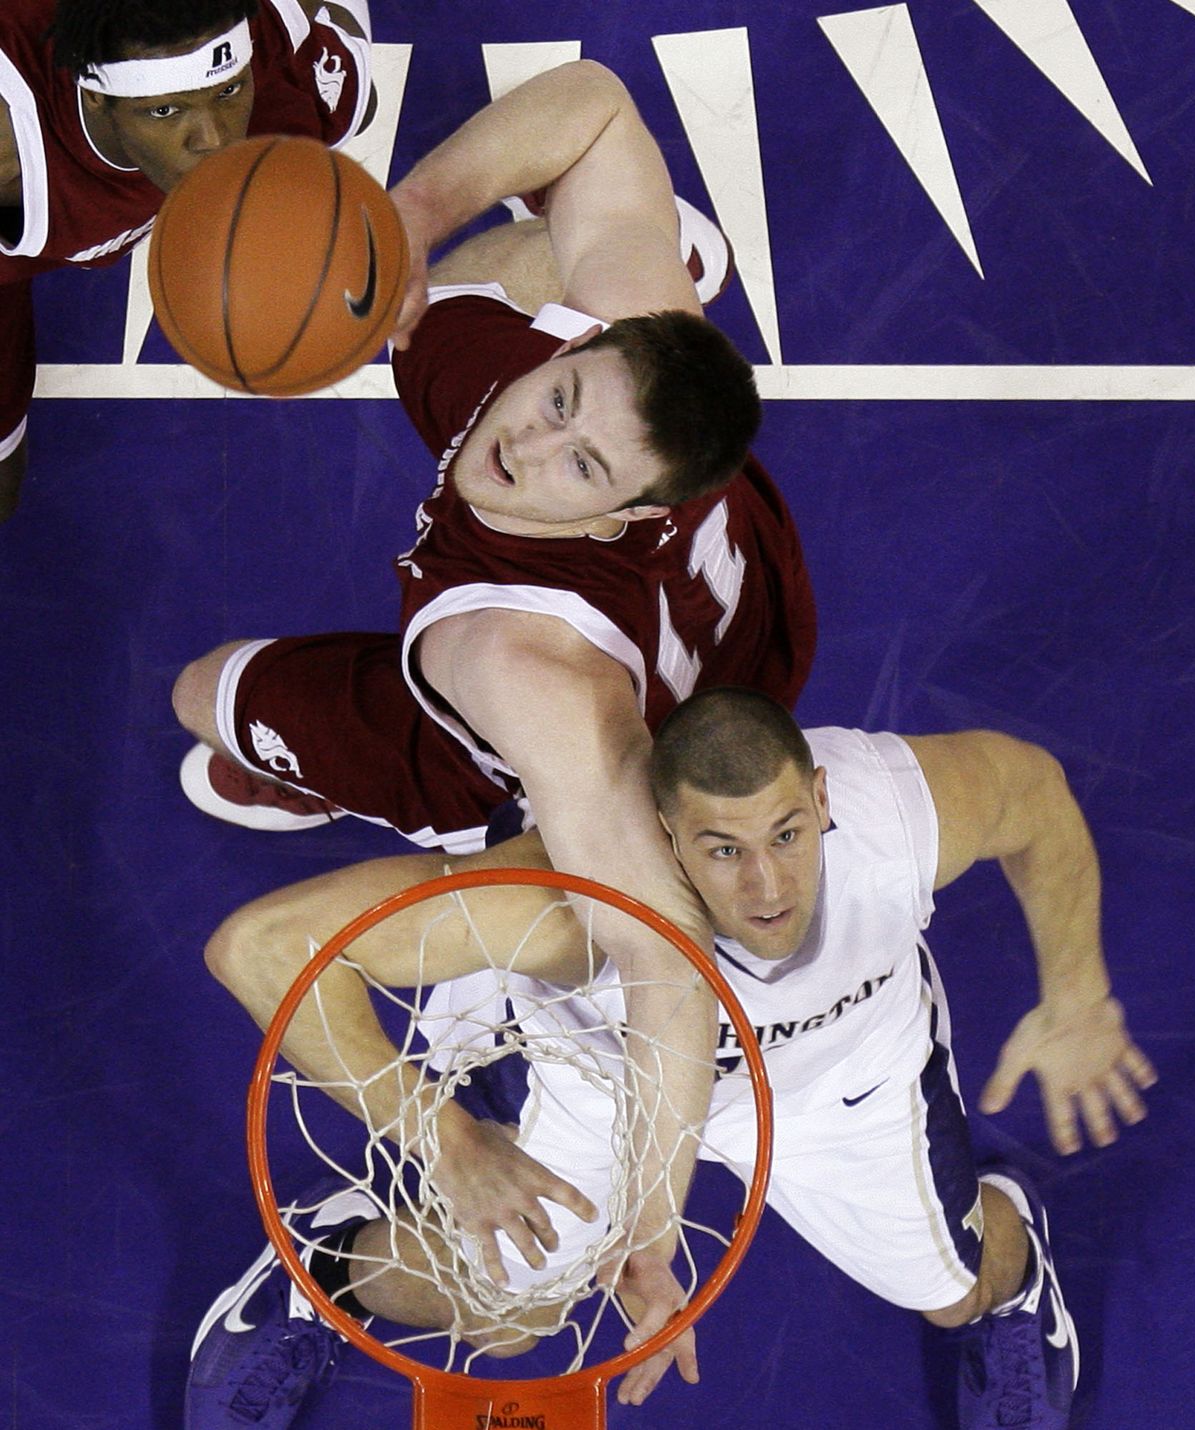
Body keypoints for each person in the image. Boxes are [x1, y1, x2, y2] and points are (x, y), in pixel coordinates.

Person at [171, 61, 818, 1300]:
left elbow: (665, 966)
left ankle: (350, 785)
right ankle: (516, 265)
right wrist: (400, 226)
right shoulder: (630, 336)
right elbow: (593, 102)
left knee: (203, 699)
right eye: (559, 396)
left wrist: (648, 1221)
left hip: (523, 744)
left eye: (579, 467)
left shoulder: (529, 679)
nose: (525, 444)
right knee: (495, 281)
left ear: (624, 510)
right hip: (739, 615)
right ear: (592, 342)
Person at [185, 688, 1156, 1428]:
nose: (768, 885)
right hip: (602, 1092)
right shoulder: (563, 906)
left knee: (955, 1290)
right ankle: (321, 1261)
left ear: (820, 796)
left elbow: (1033, 793)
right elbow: (260, 946)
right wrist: (443, 1138)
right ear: (661, 834)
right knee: (507, 1311)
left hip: (843, 1079)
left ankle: (1010, 1267)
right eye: (722, 848)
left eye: (786, 831)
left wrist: (1078, 993)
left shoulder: (893, 813)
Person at [0, 0, 374, 519]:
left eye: (228, 92)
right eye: (164, 111)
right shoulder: (12, 150)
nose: (214, 139)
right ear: (95, 98)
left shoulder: (290, 69)